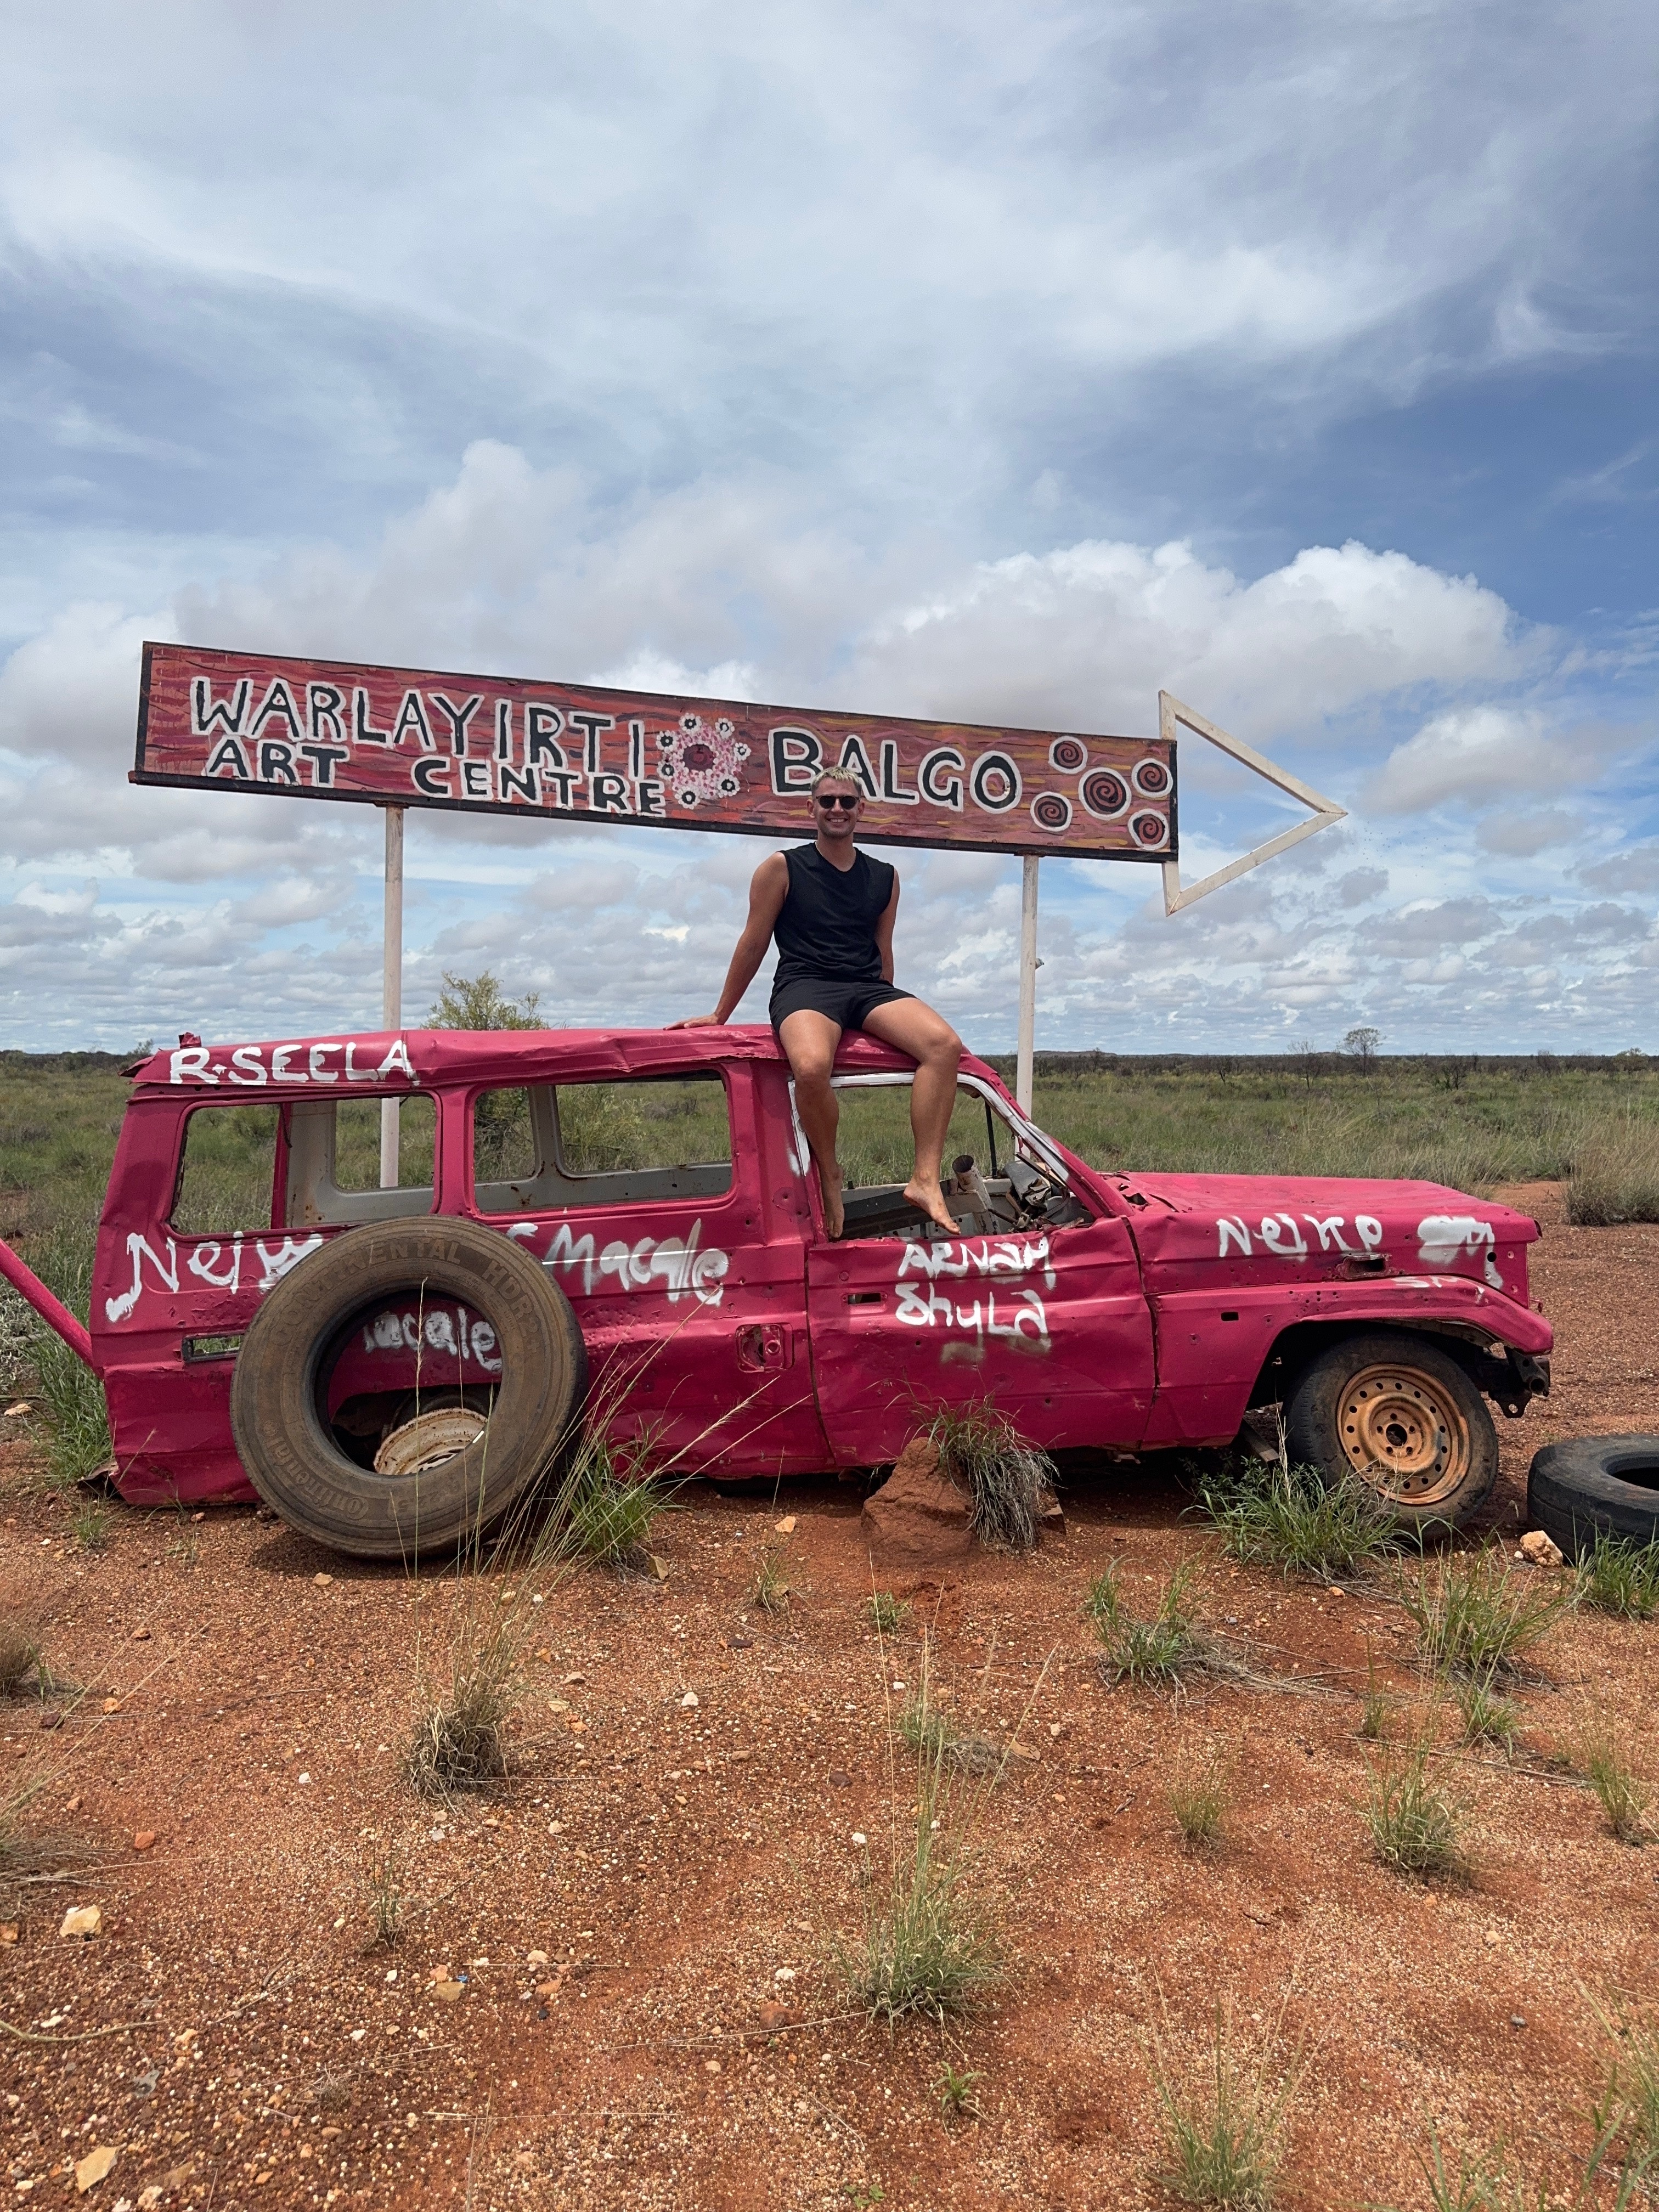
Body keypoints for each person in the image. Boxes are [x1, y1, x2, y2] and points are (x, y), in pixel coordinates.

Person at [670, 766, 962, 1238]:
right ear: (811, 809)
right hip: (806, 986)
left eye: (847, 801)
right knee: (809, 1066)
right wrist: (719, 1014)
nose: (837, 810)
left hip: (867, 989)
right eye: (827, 801)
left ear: (861, 810)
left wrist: (884, 1020)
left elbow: (884, 951)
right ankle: (829, 1173)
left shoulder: (885, 877)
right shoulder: (782, 867)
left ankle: (925, 1178)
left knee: (944, 1045)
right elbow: (753, 943)